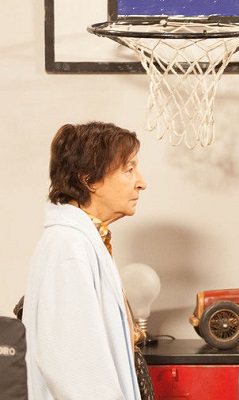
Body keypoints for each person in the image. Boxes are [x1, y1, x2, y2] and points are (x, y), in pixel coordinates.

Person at [23, 122, 150, 399]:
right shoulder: (68, 247)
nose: (141, 182)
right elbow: (74, 371)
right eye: (128, 169)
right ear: (89, 180)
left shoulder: (85, 241)